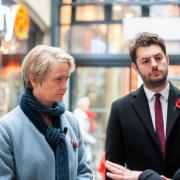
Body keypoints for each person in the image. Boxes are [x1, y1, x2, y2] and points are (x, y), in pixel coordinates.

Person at [0, 45, 93, 180]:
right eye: (58, 79)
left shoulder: (71, 121)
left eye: (66, 78)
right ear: (34, 80)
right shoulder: (6, 129)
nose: (65, 86)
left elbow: (83, 172)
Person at [105, 32, 180, 180]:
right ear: (135, 68)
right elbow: (114, 170)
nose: (154, 64)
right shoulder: (120, 109)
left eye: (158, 58)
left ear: (167, 60)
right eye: (145, 61)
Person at [73, 97, 96, 164]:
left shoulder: (79, 114)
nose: (88, 107)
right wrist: (92, 140)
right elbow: (81, 133)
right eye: (87, 105)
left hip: (82, 145)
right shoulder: (81, 116)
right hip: (82, 145)